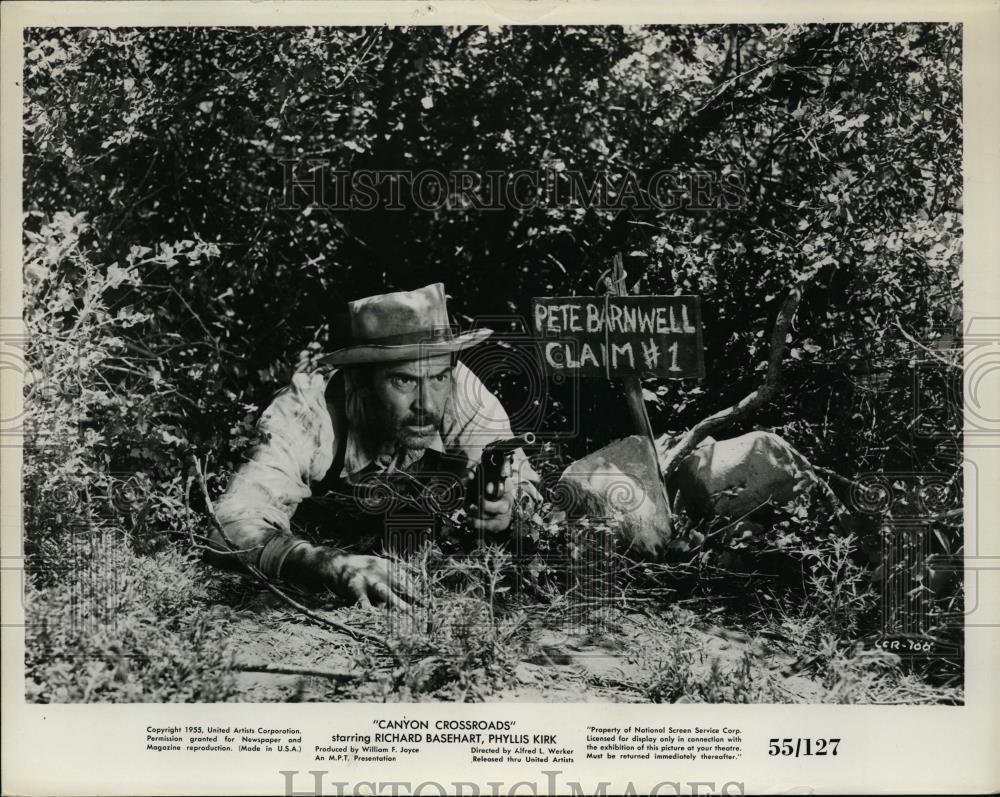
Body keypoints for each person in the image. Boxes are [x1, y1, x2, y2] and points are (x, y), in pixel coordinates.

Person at [210, 283, 541, 608]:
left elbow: (525, 486)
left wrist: (510, 507)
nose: (426, 404)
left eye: (438, 378)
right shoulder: (308, 411)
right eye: (403, 380)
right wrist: (334, 567)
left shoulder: (462, 391)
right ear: (359, 382)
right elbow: (230, 527)